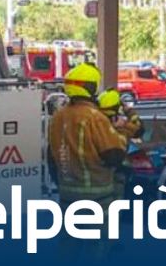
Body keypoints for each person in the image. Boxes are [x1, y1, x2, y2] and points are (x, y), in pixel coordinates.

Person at [48, 63, 126, 261]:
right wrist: (120, 134)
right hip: (98, 197)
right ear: (91, 88)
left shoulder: (58, 117)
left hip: (67, 196)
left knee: (68, 245)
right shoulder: (95, 118)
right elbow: (114, 155)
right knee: (97, 244)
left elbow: (51, 158)